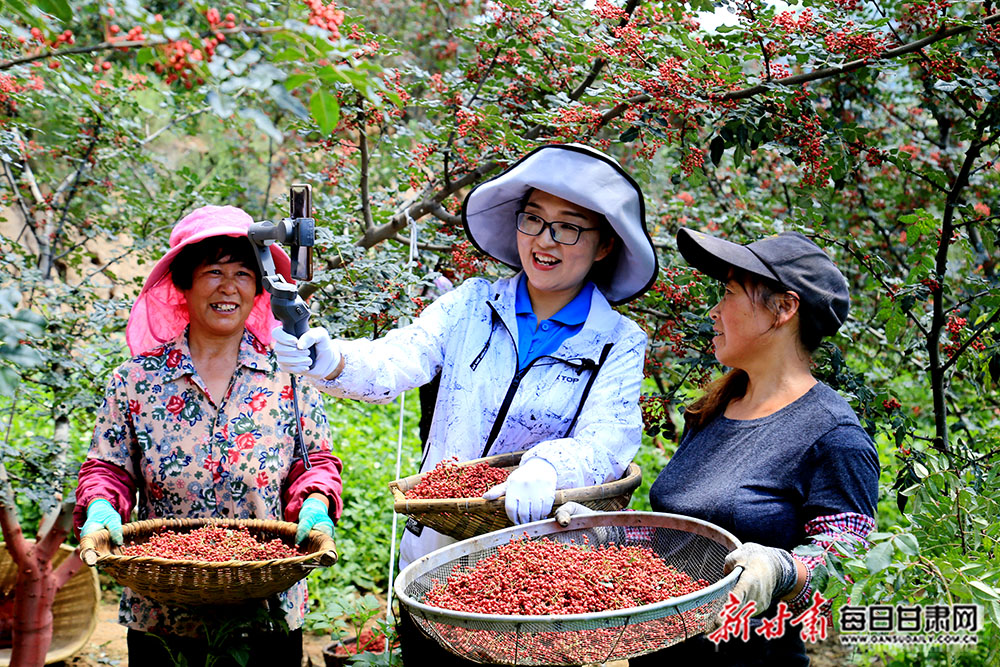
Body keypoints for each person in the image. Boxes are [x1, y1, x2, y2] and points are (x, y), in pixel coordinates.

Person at [271, 143, 658, 665]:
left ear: (605, 245)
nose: (544, 241)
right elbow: (400, 358)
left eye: (568, 227)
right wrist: (333, 358)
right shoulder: (472, 305)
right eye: (533, 220)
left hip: (541, 583)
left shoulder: (616, 340)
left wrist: (547, 466)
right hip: (438, 561)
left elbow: (609, 438)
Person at [74, 205, 344, 666]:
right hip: (163, 612)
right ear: (184, 282)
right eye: (213, 271)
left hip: (265, 607)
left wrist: (316, 503)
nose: (228, 287)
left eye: (243, 273)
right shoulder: (136, 380)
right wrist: (101, 505)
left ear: (259, 288)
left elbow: (312, 463)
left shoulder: (290, 377)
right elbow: (109, 468)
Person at [632, 228, 879, 666]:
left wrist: (781, 569)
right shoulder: (714, 411)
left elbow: (844, 555)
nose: (713, 311)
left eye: (727, 293)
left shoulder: (832, 435)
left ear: (783, 308)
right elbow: (678, 533)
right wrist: (600, 529)